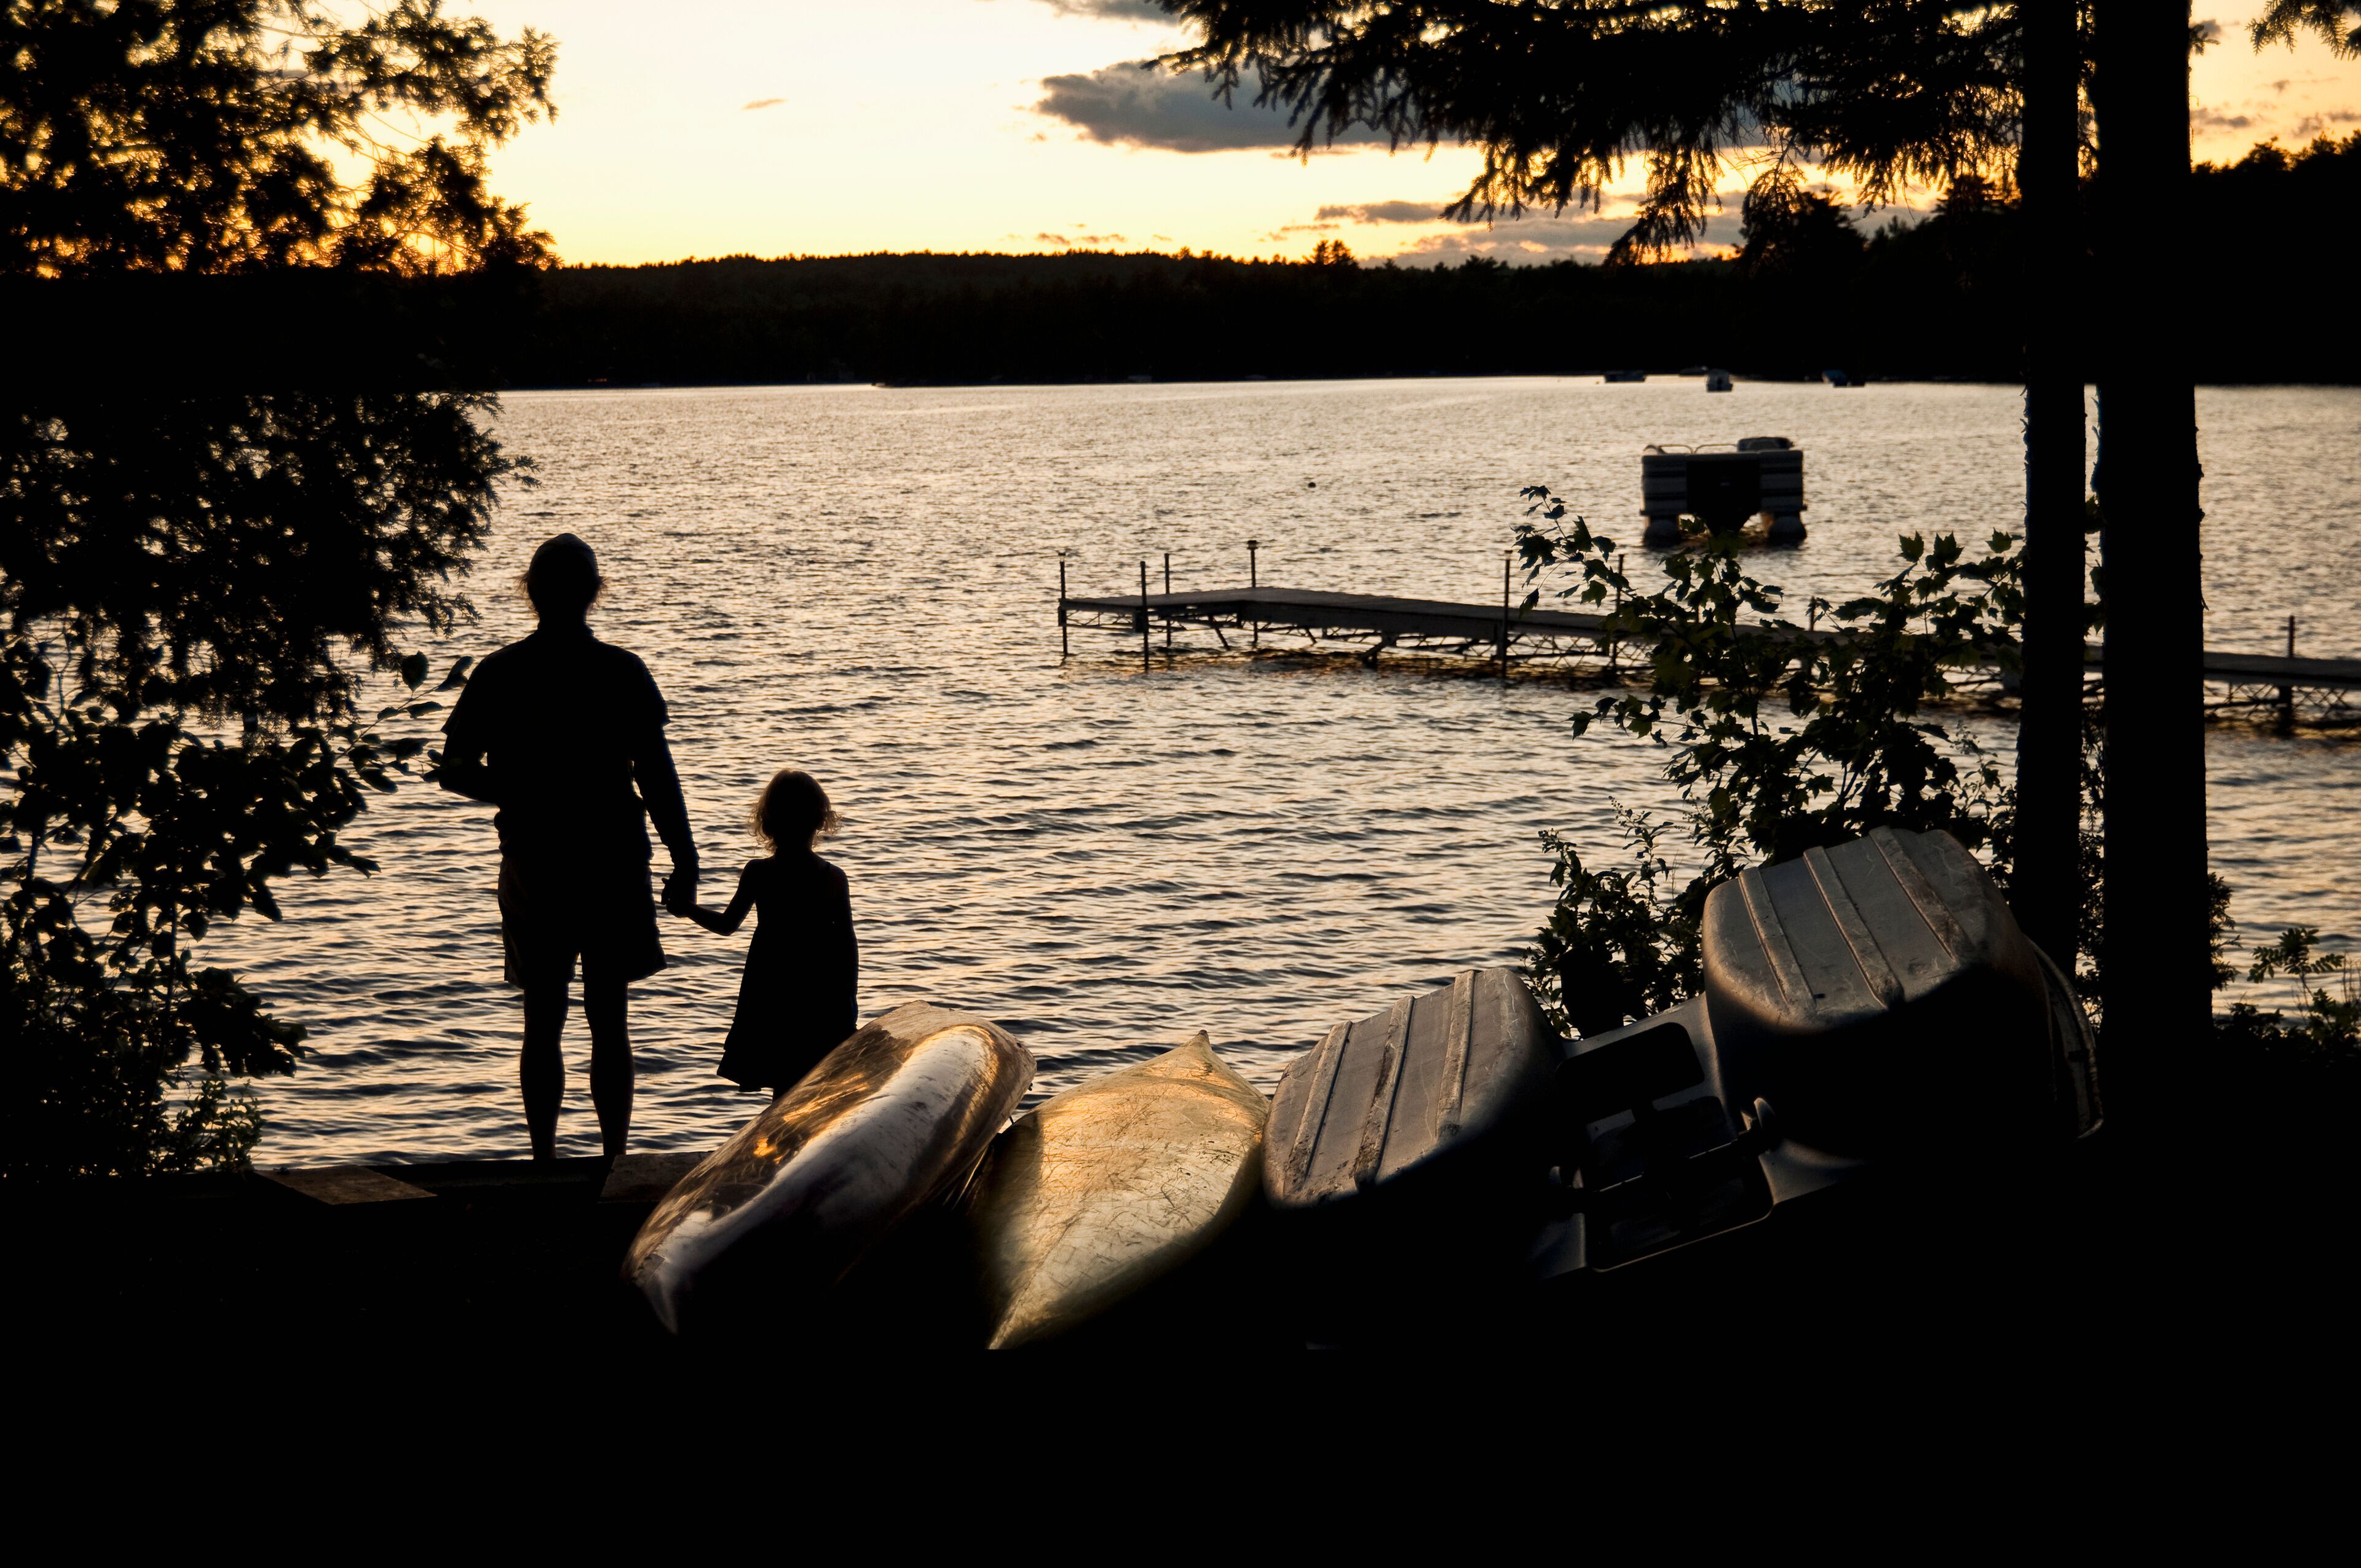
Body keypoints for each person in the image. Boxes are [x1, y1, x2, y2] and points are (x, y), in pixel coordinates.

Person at [437, 534, 699, 1160]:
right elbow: (656, 772)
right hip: (613, 855)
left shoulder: (500, 672)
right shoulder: (622, 670)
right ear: (593, 593)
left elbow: (453, 768)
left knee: (543, 1016)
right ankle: (612, 1159)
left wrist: (519, 788)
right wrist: (685, 859)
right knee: (610, 1017)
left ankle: (544, 1160)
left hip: (536, 859)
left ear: (531, 592)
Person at [684, 770, 858, 1098]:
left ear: (768, 822)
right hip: (818, 990)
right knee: (815, 1082)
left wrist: (688, 908)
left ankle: (778, 1146)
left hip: (771, 990)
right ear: (820, 821)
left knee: (783, 1082)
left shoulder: (760, 873)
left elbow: (726, 925)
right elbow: (847, 947)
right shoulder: (833, 877)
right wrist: (848, 1001)